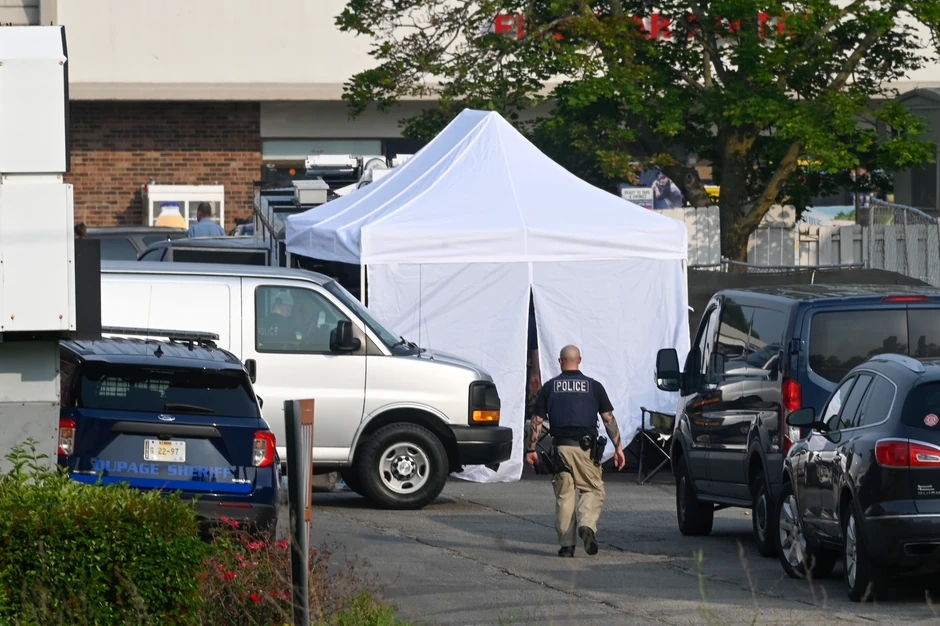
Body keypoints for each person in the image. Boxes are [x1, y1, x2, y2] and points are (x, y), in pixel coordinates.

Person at [526, 345, 626, 558]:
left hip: (560, 448)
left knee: (565, 495)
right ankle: (587, 525)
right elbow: (608, 419)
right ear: (579, 360)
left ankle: (566, 546)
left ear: (560, 362)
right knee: (593, 489)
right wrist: (618, 447)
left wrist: (531, 449)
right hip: (585, 450)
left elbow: (537, 421)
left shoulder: (550, 387)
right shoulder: (594, 386)